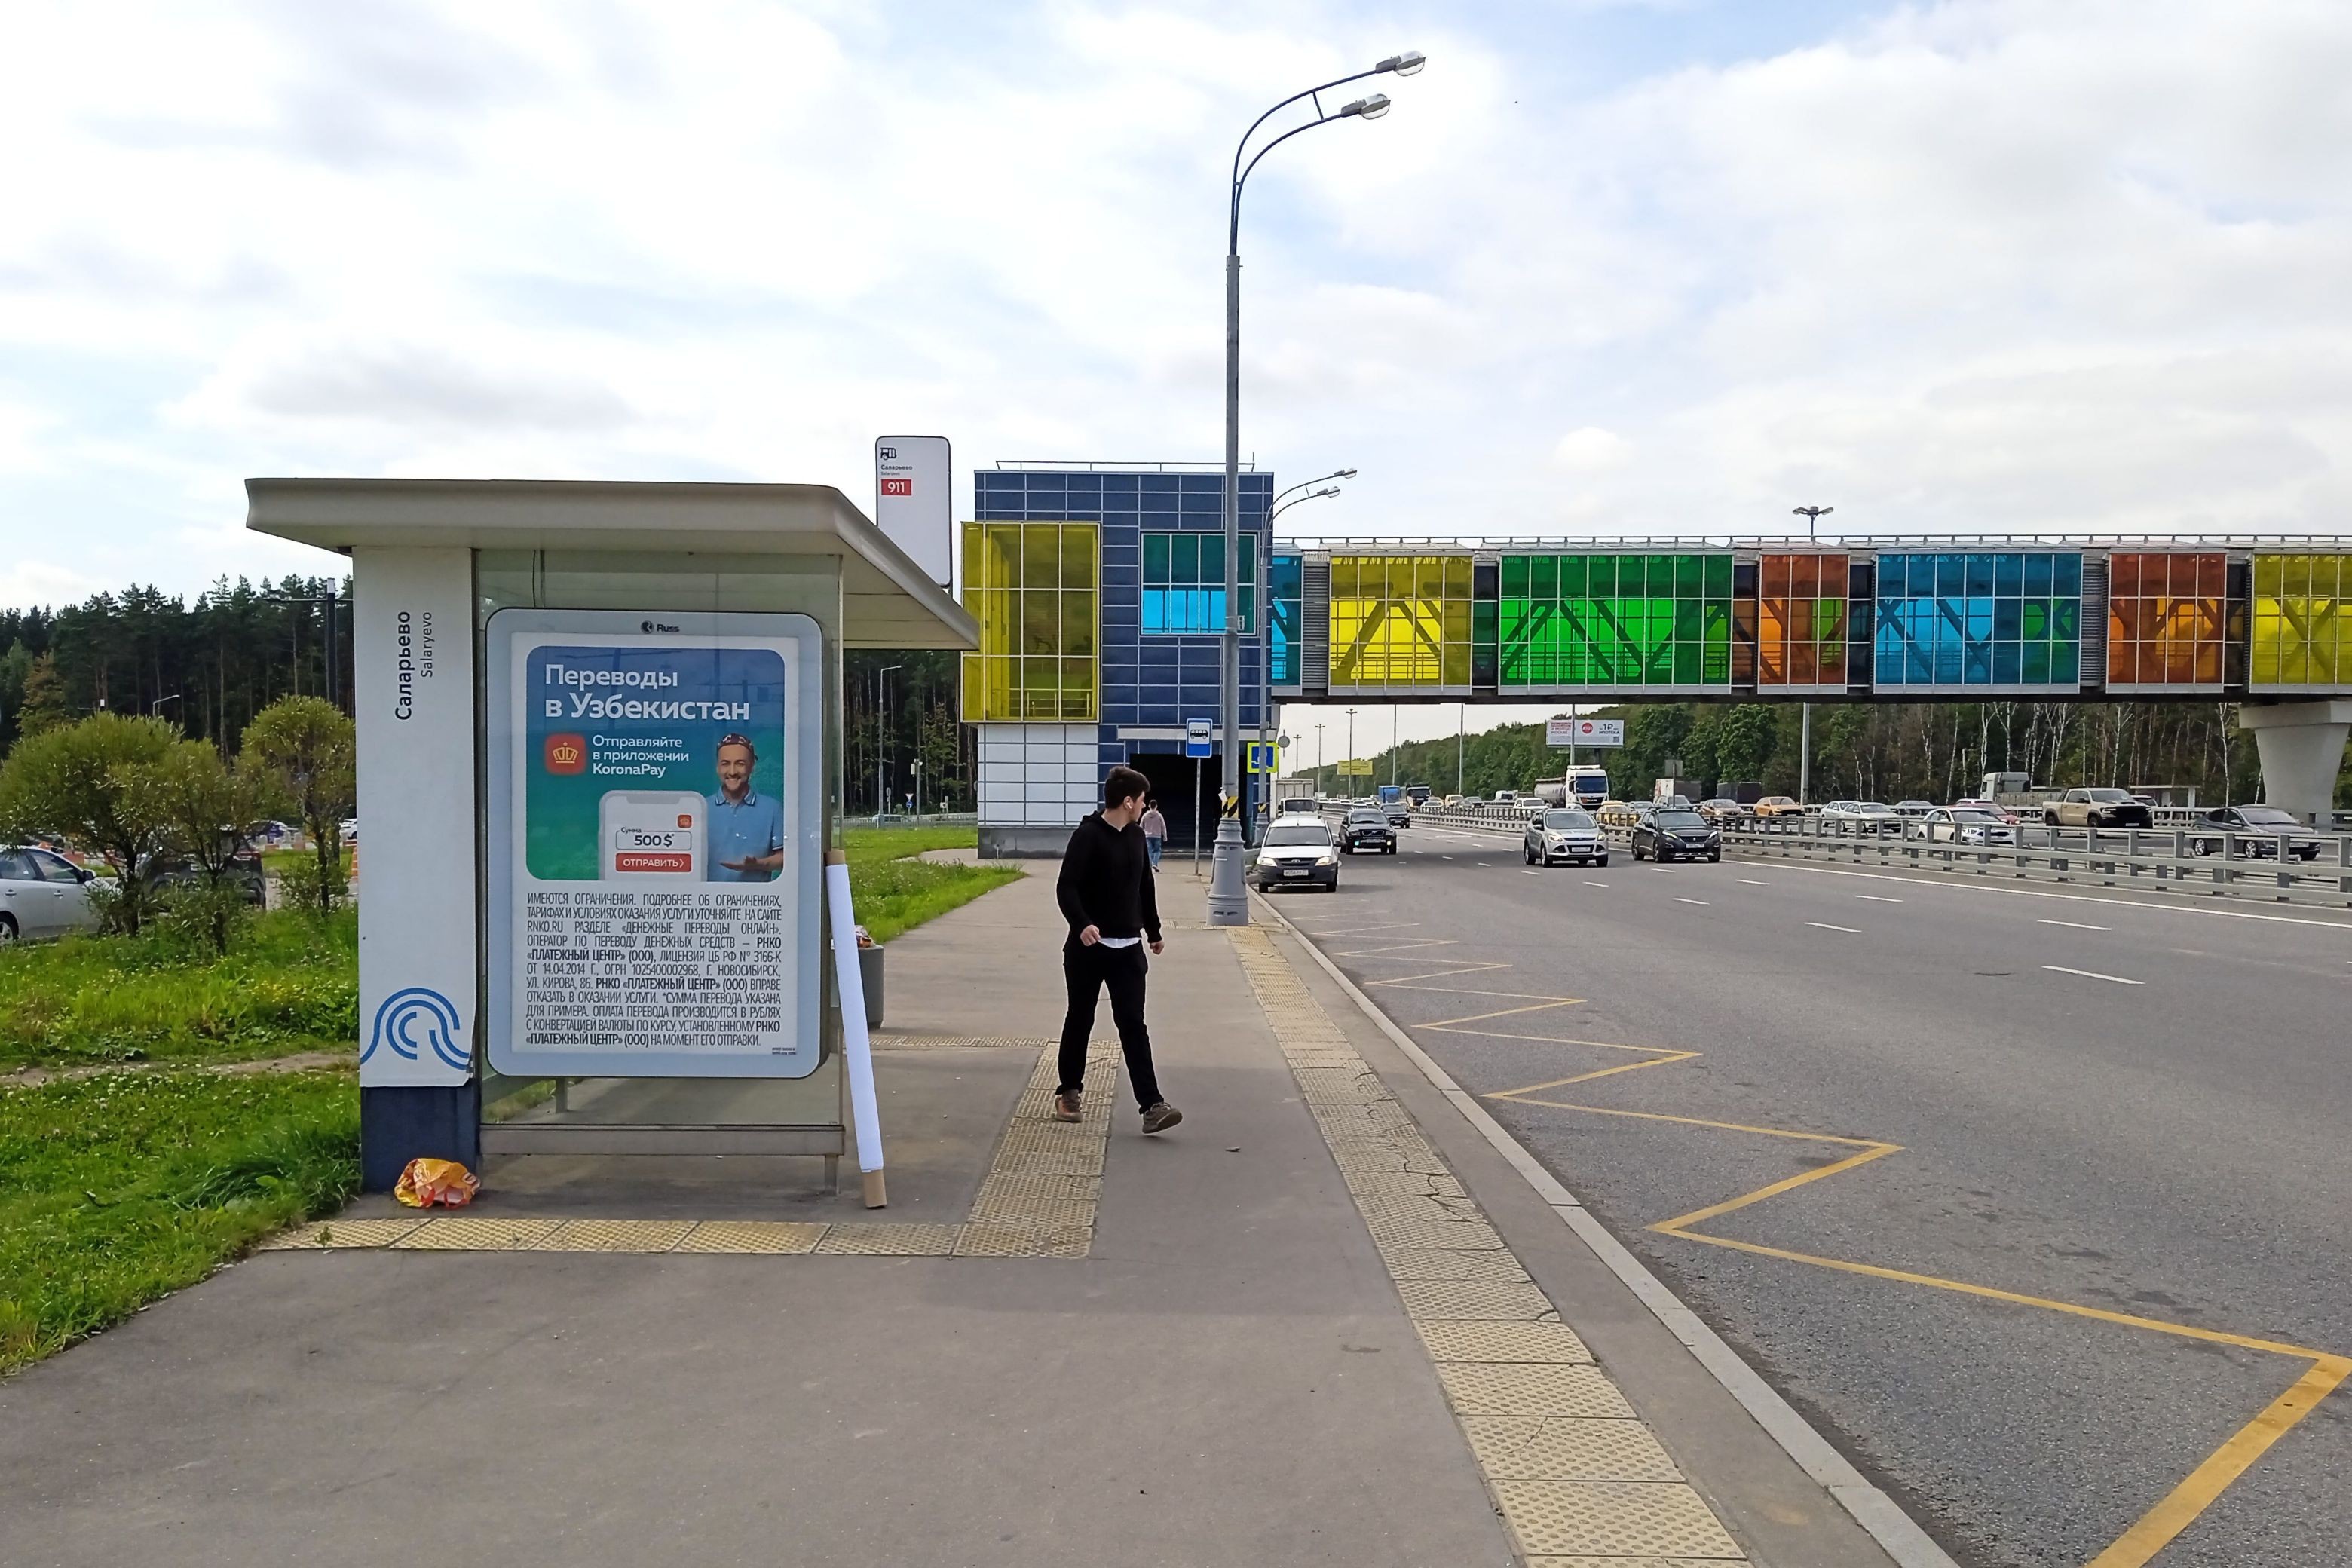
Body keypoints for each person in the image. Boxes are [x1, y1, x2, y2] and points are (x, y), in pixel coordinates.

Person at [1054, 765, 1181, 1133]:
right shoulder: (1088, 836)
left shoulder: (1137, 837)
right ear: (1128, 801)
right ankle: (1069, 1092)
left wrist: (1153, 931)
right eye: (1141, 800)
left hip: (1128, 950)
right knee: (1081, 1018)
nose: (1143, 806)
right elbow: (1066, 887)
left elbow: (1145, 887)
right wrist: (1082, 924)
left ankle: (1152, 1105)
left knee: (1132, 1024)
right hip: (1089, 949)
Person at [706, 732, 783, 881]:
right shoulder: (702, 809)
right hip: (708, 896)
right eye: (725, 764)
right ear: (717, 767)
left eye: (740, 764)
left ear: (752, 767)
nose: (732, 772)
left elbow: (783, 858)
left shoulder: (772, 808)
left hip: (755, 896)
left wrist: (758, 864)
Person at [1138, 796, 1168, 870]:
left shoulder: (1145, 816)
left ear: (1149, 806)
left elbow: (1141, 826)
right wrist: (1165, 836)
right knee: (1157, 851)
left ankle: (1149, 864)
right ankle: (1155, 863)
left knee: (1149, 851)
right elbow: (1163, 826)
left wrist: (1140, 836)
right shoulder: (1159, 816)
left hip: (1147, 836)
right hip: (1157, 836)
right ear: (1156, 806)